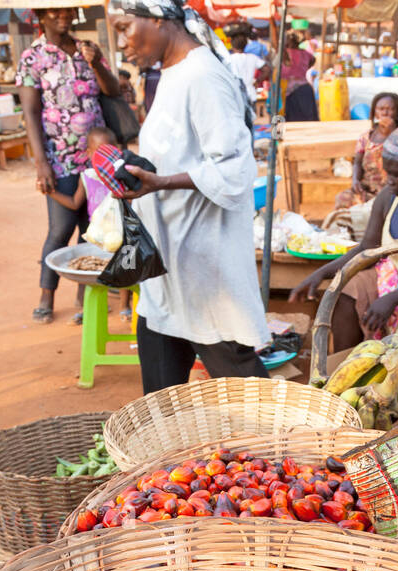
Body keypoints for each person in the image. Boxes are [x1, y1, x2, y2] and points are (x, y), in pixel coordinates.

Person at [107, 0, 269, 394]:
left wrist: (160, 182)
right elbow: (178, 154)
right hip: (167, 268)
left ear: (158, 18)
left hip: (204, 270)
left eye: (125, 27)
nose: (121, 43)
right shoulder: (172, 74)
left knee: (250, 400)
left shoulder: (203, 77)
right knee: (159, 403)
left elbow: (235, 169)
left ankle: (297, 433)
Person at [292, 121, 398, 350]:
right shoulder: (388, 197)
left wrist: (394, 297)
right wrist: (321, 274)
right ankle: (345, 364)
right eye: (387, 172)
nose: (388, 180)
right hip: (390, 281)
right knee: (349, 289)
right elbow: (367, 250)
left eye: (396, 174)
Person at [18, 5, 120, 323]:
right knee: (60, 228)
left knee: (93, 228)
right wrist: (41, 163)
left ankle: (84, 297)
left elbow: (113, 90)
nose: (63, 15)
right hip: (59, 158)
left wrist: (96, 62)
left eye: (68, 10)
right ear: (41, 15)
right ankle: (46, 295)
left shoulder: (87, 49)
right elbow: (30, 113)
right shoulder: (32, 57)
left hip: (97, 157)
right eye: (55, 11)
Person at [336, 91, 398, 210]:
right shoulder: (366, 137)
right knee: (343, 198)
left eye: (390, 109)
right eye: (381, 109)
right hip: (368, 190)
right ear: (374, 113)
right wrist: (355, 180)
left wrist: (391, 133)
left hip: (394, 190)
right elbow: (357, 162)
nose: (385, 113)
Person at [282, 28, 316, 121]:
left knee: (292, 123)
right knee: (307, 122)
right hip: (305, 89)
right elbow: (313, 60)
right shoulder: (306, 53)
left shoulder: (285, 53)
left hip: (291, 93)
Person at [228, 30, 267, 101]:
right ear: (245, 44)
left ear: (232, 45)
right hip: (250, 94)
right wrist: (257, 81)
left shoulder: (228, 59)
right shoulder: (252, 57)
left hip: (235, 96)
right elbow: (267, 70)